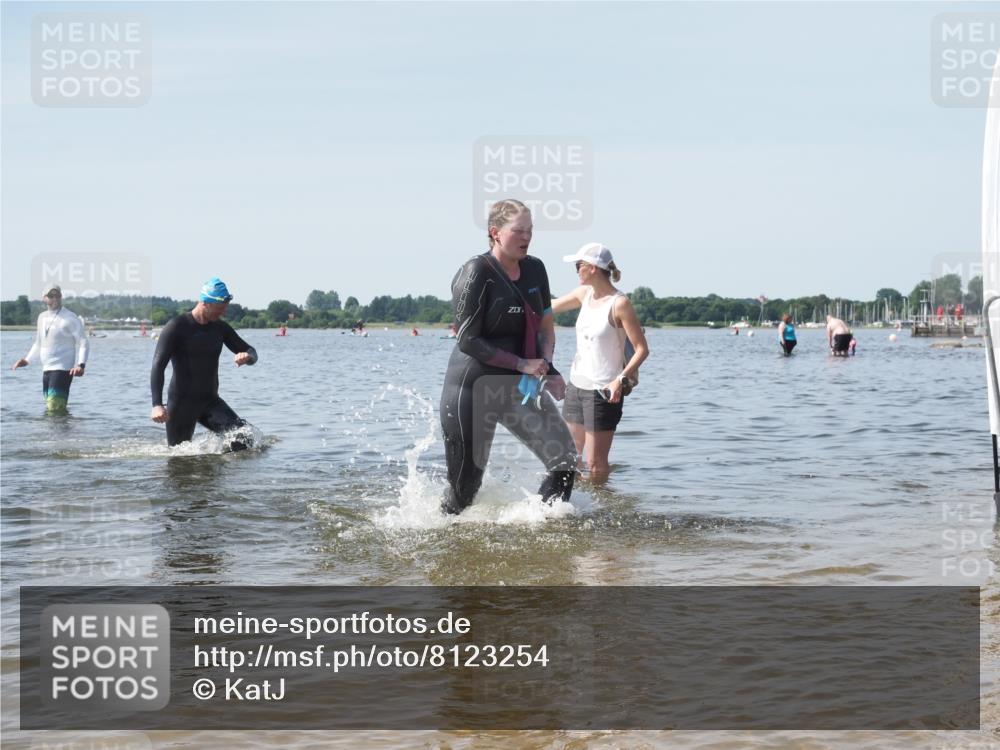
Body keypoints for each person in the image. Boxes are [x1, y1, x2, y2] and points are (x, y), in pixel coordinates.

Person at [440, 199, 577, 514]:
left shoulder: (535, 269)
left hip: (518, 388)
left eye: (530, 230)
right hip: (472, 389)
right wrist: (522, 363)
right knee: (465, 490)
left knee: (565, 461)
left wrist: (549, 369)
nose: (527, 237)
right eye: (518, 230)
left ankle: (539, 528)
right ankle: (448, 539)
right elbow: (467, 340)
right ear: (495, 233)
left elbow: (545, 329)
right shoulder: (477, 272)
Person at [551, 243, 648, 479]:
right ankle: (575, 506)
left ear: (593, 268)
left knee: (595, 463)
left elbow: (641, 349)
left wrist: (620, 380)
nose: (576, 270)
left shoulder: (619, 303)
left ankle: (602, 509)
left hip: (604, 390)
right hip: (576, 387)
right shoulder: (583, 294)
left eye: (578, 265)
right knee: (570, 458)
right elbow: (546, 308)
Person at [150, 277, 258, 450]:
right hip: (181, 405)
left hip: (210, 402)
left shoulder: (220, 328)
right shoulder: (177, 326)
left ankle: (224, 474)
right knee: (179, 458)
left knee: (245, 439)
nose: (223, 313)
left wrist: (247, 357)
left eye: (225, 308)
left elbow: (252, 351)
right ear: (205, 303)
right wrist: (157, 404)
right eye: (219, 308)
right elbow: (158, 365)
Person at [11, 284, 89, 413]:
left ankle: (60, 432)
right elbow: (38, 343)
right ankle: (61, 432)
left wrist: (81, 365)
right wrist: (27, 360)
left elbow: (83, 342)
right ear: (44, 298)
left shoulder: (70, 317)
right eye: (51, 295)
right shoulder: (42, 317)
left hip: (62, 369)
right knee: (52, 408)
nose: (55, 298)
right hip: (47, 369)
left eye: (57, 295)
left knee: (54, 409)